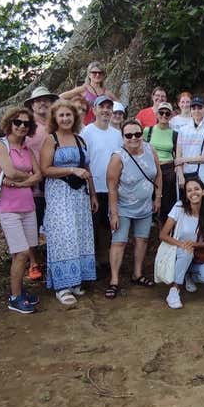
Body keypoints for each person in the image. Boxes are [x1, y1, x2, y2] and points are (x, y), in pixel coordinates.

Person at [40, 99, 98, 305]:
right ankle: (62, 286)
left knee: (79, 234)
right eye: (61, 115)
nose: (65, 118)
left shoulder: (80, 140)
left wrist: (92, 195)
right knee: (63, 235)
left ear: (75, 117)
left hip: (79, 195)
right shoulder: (51, 140)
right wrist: (71, 169)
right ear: (55, 118)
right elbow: (45, 169)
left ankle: (75, 280)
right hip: (59, 193)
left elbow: (88, 170)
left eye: (68, 115)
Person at [0, 106, 44, 314]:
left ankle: (19, 291)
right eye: (18, 122)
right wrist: (27, 179)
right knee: (21, 253)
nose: (22, 126)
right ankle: (14, 297)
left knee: (24, 252)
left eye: (26, 124)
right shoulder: (0, 146)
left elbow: (39, 175)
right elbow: (10, 172)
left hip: (27, 205)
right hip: (8, 207)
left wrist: (22, 182)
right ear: (10, 124)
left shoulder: (26, 149)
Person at [106, 119, 162, 298]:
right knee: (119, 242)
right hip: (123, 207)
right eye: (128, 135)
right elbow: (112, 187)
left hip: (145, 206)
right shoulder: (118, 157)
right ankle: (114, 280)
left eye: (137, 134)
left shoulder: (149, 149)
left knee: (142, 240)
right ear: (123, 137)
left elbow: (158, 173)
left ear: (142, 134)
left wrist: (158, 198)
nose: (133, 138)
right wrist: (114, 213)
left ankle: (137, 274)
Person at [159, 177, 204, 309]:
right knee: (186, 251)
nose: (193, 193)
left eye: (196, 189)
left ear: (203, 191)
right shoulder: (179, 207)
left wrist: (193, 244)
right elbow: (162, 234)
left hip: (195, 252)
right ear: (186, 195)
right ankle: (174, 291)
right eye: (189, 190)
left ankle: (188, 274)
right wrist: (182, 244)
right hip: (176, 250)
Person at [80, 95, 123, 274]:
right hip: (94, 187)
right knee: (92, 226)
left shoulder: (117, 134)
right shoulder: (87, 132)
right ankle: (92, 261)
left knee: (108, 225)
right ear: (94, 110)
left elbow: (122, 159)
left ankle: (105, 259)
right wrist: (90, 191)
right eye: (102, 107)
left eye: (108, 107)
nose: (105, 110)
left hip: (112, 188)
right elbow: (84, 162)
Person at [23, 86, 59, 280]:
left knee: (53, 222)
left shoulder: (55, 126)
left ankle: (52, 258)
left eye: (46, 99)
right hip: (34, 181)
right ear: (32, 105)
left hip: (54, 179)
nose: (42, 103)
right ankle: (34, 262)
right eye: (38, 100)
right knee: (32, 223)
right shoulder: (26, 127)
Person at [142, 101, 179, 222]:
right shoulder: (148, 131)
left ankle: (164, 227)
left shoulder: (174, 134)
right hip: (150, 167)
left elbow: (177, 154)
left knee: (167, 201)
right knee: (149, 196)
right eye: (161, 112)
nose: (164, 115)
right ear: (157, 114)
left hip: (167, 168)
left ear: (171, 116)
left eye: (167, 113)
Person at [176, 96, 204, 193]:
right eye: (193, 108)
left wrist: (185, 160)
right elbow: (178, 157)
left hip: (203, 176)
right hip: (185, 176)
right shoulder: (182, 130)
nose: (196, 111)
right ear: (190, 110)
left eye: (199, 108)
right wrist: (180, 175)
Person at [60, 61, 117, 125]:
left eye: (100, 73)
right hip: (84, 126)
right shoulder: (83, 89)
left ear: (103, 75)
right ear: (89, 75)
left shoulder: (107, 93)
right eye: (94, 73)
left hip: (102, 127)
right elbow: (61, 96)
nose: (97, 75)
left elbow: (119, 107)